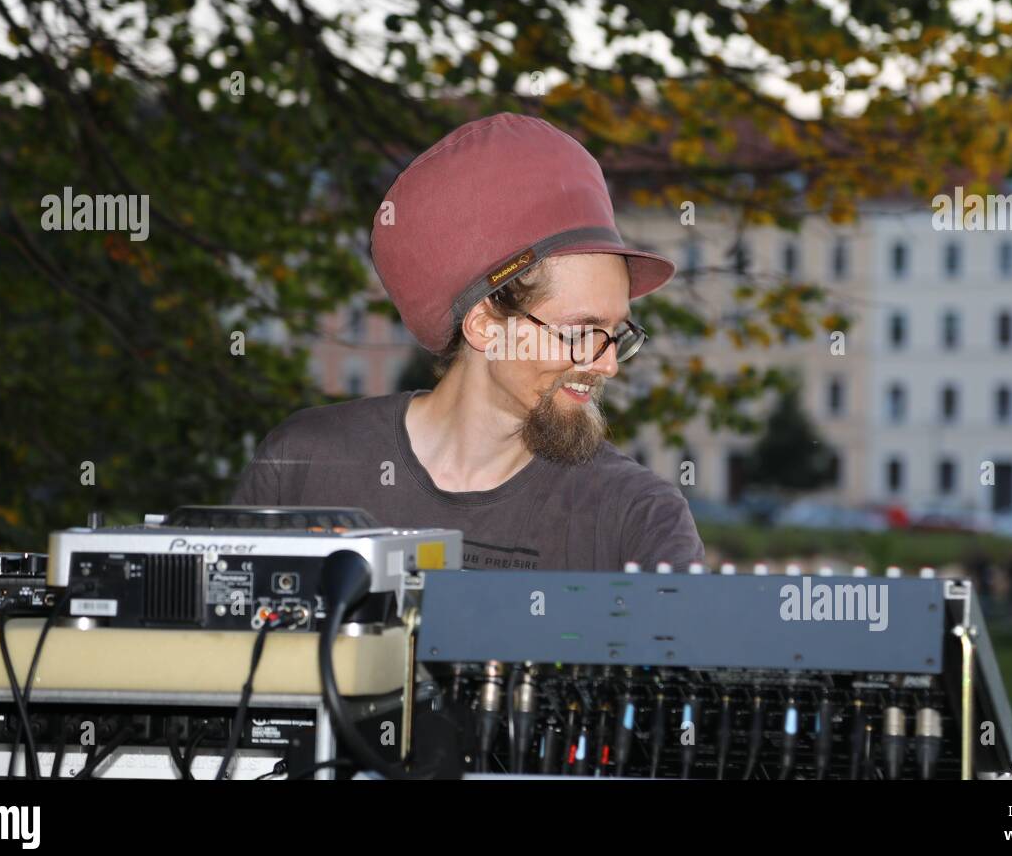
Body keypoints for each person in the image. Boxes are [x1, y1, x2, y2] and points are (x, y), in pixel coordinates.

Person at [230, 112, 705, 572]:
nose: (607, 366)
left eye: (617, 334)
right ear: (485, 327)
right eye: (581, 333)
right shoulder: (305, 466)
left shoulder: (638, 520)